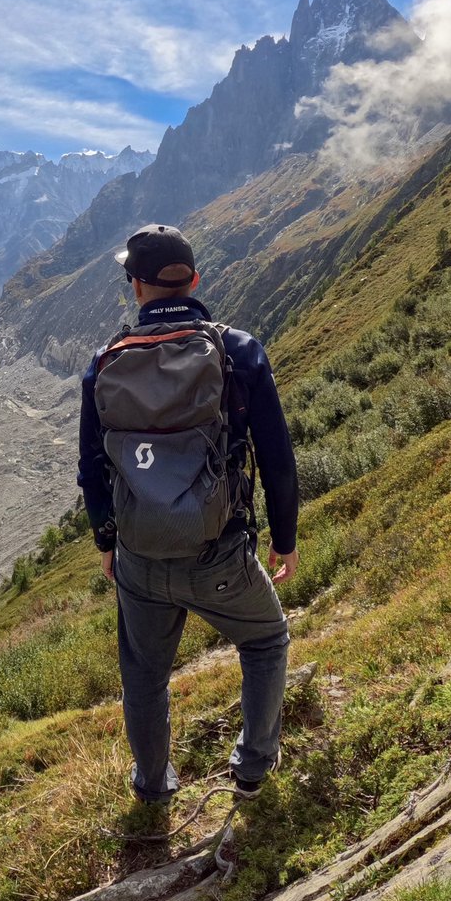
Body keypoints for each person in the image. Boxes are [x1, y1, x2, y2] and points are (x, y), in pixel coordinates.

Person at [78, 223, 299, 802]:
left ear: (136, 287)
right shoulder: (239, 351)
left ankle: (152, 785)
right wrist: (285, 538)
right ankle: (252, 769)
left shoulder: (104, 362)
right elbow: (277, 458)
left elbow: (92, 468)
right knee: (265, 640)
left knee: (144, 674)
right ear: (195, 280)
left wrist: (107, 541)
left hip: (139, 557)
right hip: (217, 551)